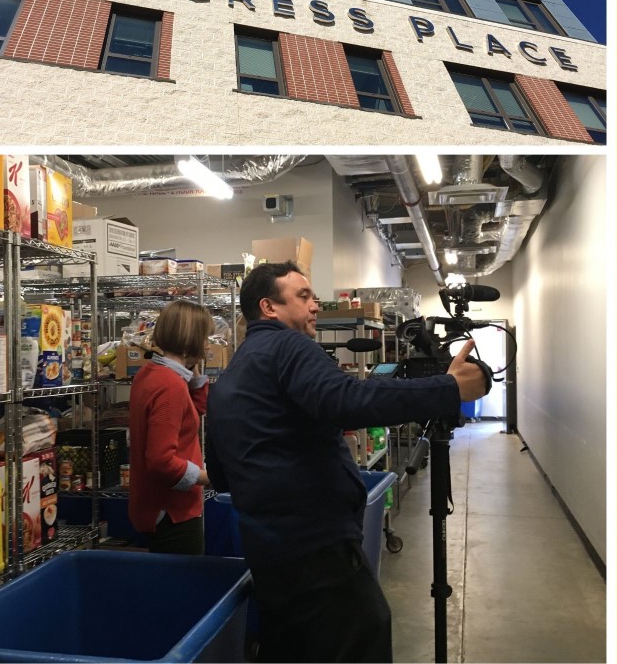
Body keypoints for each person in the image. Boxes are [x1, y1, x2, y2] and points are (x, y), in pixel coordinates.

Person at [205, 261, 488, 663]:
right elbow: (348, 400)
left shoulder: (231, 376)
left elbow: (221, 475)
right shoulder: (288, 345)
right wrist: (448, 388)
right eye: (303, 296)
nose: (315, 305)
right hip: (317, 550)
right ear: (269, 307)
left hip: (269, 555)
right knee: (362, 636)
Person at [128, 300, 214, 555]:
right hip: (172, 512)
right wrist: (208, 478)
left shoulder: (150, 374)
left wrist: (195, 378)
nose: (208, 345)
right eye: (205, 338)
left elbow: (187, 416)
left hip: (155, 507)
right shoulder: (170, 386)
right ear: (192, 341)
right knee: (182, 589)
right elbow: (161, 461)